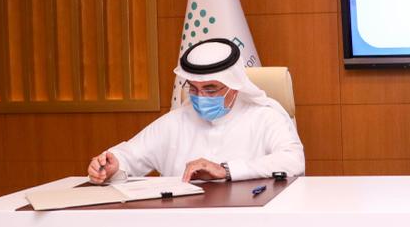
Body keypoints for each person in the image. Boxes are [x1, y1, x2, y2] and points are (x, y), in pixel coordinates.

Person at [86, 38, 305, 183]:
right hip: (183, 225)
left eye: (210, 89)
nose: (200, 97)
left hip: (249, 223)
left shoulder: (265, 116)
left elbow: (293, 160)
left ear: (235, 86)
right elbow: (130, 156)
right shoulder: (176, 121)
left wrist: (226, 170)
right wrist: (111, 166)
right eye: (193, 89)